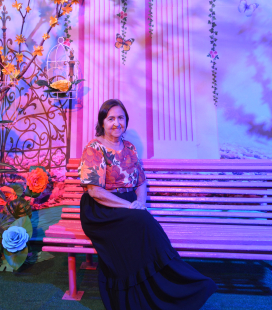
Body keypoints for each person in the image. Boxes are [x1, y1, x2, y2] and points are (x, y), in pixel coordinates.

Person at [78, 99, 217, 309]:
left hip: (127, 205)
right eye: (111, 118)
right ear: (102, 123)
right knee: (143, 223)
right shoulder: (94, 148)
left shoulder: (130, 148)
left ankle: (171, 286)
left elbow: (141, 182)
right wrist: (130, 207)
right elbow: (95, 191)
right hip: (100, 208)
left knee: (141, 223)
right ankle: (166, 281)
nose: (116, 123)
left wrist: (140, 203)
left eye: (121, 118)